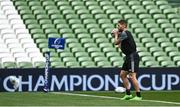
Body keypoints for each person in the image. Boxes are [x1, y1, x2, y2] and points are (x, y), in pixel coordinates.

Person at [111, 19, 142, 100]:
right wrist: (116, 35)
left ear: (124, 25)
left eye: (119, 25)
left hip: (132, 56)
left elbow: (115, 43)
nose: (118, 27)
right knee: (122, 75)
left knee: (132, 76)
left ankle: (138, 96)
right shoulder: (124, 35)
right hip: (128, 56)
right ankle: (128, 94)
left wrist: (116, 35)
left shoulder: (125, 32)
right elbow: (120, 45)